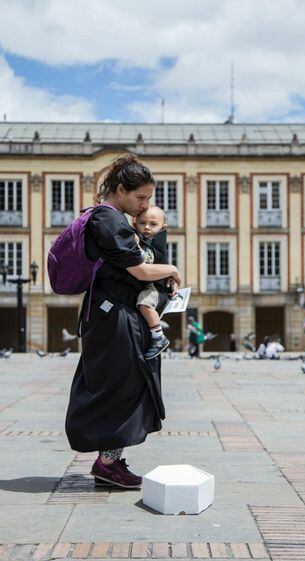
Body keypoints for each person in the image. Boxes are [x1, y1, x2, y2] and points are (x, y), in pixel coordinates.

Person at [65, 154, 181, 489]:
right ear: (120, 189)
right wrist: (172, 270)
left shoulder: (111, 218)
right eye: (141, 198)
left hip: (111, 313)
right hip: (111, 315)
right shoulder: (109, 220)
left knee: (122, 384)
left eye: (149, 199)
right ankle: (107, 463)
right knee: (124, 385)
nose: (145, 206)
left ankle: (109, 461)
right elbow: (140, 270)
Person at [135, 206, 170, 359]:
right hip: (146, 283)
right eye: (142, 223)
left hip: (154, 287)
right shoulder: (142, 238)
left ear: (163, 227)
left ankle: (158, 335)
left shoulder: (158, 243)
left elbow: (148, 260)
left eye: (153, 224)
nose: (147, 227)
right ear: (134, 223)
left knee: (145, 304)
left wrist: (135, 246)